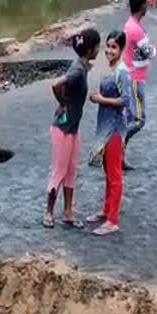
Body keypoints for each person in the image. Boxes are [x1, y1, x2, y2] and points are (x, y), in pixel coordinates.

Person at [43, 28, 101, 230]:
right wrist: (63, 103)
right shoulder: (77, 70)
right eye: (98, 46)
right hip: (63, 128)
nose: (99, 50)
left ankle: (68, 212)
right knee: (59, 170)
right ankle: (49, 212)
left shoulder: (83, 66)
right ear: (91, 49)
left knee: (71, 171)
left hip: (72, 128)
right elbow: (56, 85)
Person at [87, 31, 131, 236]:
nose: (109, 50)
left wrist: (100, 100)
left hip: (114, 127)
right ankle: (106, 210)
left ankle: (113, 220)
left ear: (121, 49)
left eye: (114, 47)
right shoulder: (112, 68)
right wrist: (99, 96)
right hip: (105, 125)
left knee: (114, 173)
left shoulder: (122, 71)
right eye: (108, 46)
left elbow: (125, 101)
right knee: (107, 171)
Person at [122, 0, 156, 171]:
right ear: (141, 6)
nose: (148, 5)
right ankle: (116, 146)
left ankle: (117, 151)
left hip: (132, 75)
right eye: (146, 3)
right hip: (135, 78)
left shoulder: (132, 25)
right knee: (138, 119)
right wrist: (153, 50)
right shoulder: (135, 29)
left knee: (128, 117)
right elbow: (150, 52)